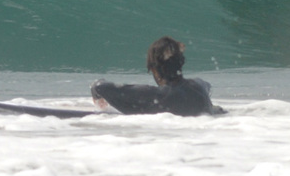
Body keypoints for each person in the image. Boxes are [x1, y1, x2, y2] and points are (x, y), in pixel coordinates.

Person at [90, 36, 225, 116]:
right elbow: (208, 85)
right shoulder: (199, 86)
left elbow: (100, 87)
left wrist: (96, 95)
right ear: (180, 64)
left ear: (154, 70)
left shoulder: (156, 96)